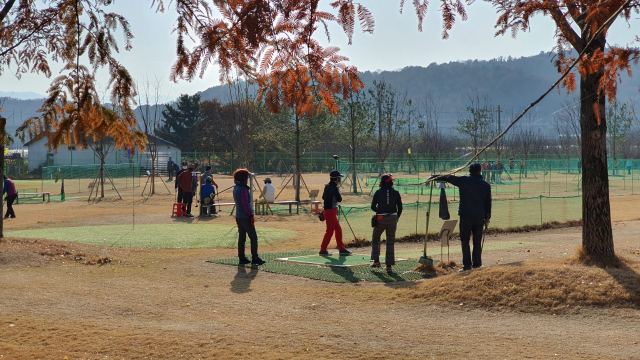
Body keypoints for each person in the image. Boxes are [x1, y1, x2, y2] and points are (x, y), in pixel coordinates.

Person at [432, 163, 491, 272]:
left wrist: (434, 176)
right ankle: (477, 264)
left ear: (469, 171)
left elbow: (449, 177)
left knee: (465, 240)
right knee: (477, 241)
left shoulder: (464, 180)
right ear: (479, 172)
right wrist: (488, 218)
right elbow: (488, 204)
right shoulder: (486, 185)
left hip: (466, 215)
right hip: (479, 217)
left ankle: (467, 265)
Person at [370, 174, 403, 273]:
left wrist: (379, 211)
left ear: (382, 182)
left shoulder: (378, 192)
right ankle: (389, 266)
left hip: (381, 218)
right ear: (390, 182)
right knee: (390, 241)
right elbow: (400, 207)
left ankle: (376, 261)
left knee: (375, 238)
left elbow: (372, 206)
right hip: (393, 217)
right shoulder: (396, 192)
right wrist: (396, 217)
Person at [232, 168, 266, 265]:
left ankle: (241, 257)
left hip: (238, 216)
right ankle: (255, 258)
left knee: (242, 238)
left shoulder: (235, 188)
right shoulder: (243, 189)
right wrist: (251, 215)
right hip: (245, 216)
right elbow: (245, 204)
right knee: (253, 237)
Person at [319, 170, 352, 256]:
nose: (339, 179)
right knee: (329, 231)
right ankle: (323, 250)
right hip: (331, 211)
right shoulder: (335, 188)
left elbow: (323, 197)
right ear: (336, 179)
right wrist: (338, 192)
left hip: (329, 211)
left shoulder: (327, 186)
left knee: (338, 229)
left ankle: (341, 248)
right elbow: (339, 199)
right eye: (339, 178)